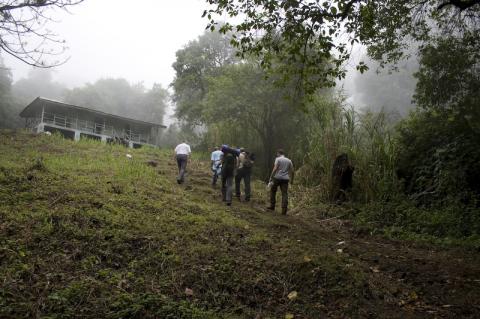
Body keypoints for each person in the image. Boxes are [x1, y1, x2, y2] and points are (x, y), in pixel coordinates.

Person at [267, 149, 294, 215]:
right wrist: (292, 180)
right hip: (285, 179)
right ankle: (284, 210)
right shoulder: (289, 160)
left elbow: (275, 168)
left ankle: (272, 206)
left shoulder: (278, 159)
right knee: (284, 194)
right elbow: (292, 171)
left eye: (277, 154)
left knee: (273, 191)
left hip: (277, 178)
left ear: (278, 153)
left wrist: (271, 177)